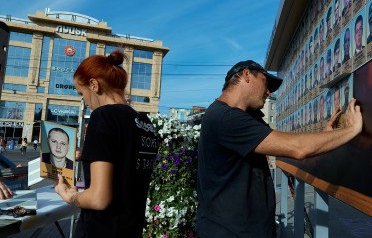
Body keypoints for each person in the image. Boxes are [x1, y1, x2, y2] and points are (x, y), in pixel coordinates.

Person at [196, 60, 362, 237]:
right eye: (266, 83)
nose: (269, 92)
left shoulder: (238, 116)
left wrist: (325, 135)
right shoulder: (225, 118)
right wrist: (351, 129)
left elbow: (283, 143)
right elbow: (297, 148)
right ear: (246, 75)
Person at [54, 51, 159, 237]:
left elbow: (98, 199)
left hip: (101, 230)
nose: (84, 101)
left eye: (82, 93)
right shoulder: (145, 123)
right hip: (130, 229)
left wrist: (69, 196)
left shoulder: (103, 116)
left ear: (93, 84)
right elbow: (125, 167)